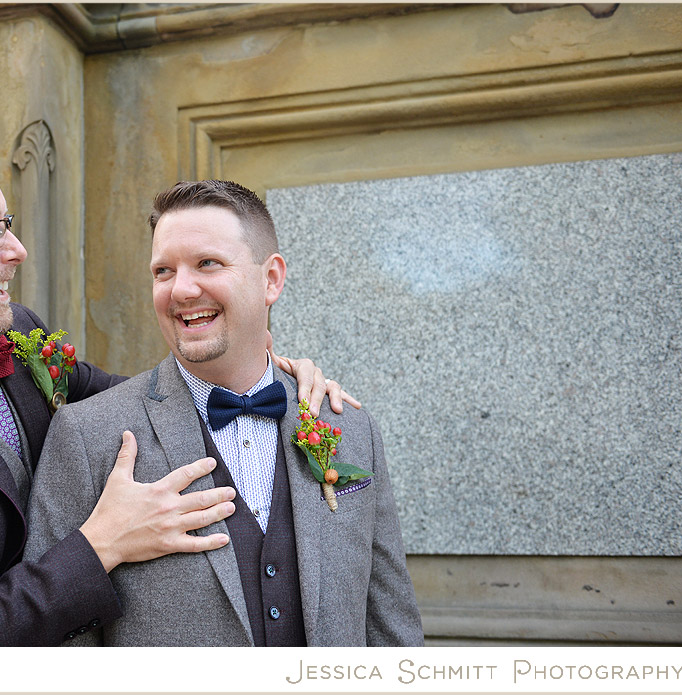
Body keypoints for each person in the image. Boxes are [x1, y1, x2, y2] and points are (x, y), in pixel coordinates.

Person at [0, 134, 351, 646]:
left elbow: (140, 403)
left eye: (6, 223)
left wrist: (259, 378)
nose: (16, 249)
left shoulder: (19, 333)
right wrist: (101, 545)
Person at [24, 180, 423, 646]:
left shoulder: (350, 428)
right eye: (163, 271)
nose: (181, 290)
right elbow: (54, 645)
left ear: (270, 279)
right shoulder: (89, 436)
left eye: (207, 263)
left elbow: (391, 630)